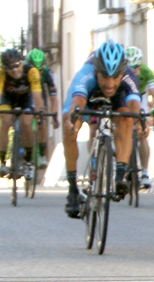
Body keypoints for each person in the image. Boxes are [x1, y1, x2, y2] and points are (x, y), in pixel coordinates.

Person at [60, 39, 142, 218]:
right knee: (69, 124)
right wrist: (73, 120)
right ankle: (72, 189)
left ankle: (120, 176)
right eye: (105, 76)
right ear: (97, 71)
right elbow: (78, 101)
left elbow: (135, 103)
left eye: (115, 77)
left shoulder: (128, 76)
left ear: (122, 73)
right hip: (87, 95)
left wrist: (138, 121)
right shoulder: (86, 74)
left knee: (127, 120)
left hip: (117, 99)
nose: (110, 84)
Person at [0, 49, 44, 180]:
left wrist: (39, 113)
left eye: (17, 65)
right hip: (8, 100)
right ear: (4, 68)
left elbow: (37, 96)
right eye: (9, 68)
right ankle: (2, 161)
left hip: (26, 100)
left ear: (22, 62)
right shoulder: (0, 73)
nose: (14, 70)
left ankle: (29, 162)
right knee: (6, 121)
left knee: (26, 123)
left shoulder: (32, 71)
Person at [126, 45, 154, 188]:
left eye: (136, 66)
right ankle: (125, 165)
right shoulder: (122, 72)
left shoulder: (146, 71)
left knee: (143, 134)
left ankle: (145, 172)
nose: (134, 69)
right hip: (126, 96)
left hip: (141, 97)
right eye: (130, 66)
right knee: (125, 129)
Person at [26, 48, 60, 168]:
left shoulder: (46, 72)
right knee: (25, 122)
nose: (37, 72)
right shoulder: (24, 70)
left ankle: (42, 154)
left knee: (43, 121)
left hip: (41, 101)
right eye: (35, 69)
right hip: (26, 100)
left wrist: (54, 116)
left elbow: (53, 98)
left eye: (40, 70)